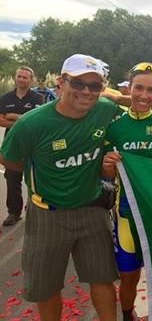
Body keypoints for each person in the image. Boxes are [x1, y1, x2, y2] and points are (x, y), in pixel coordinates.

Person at [0, 54, 120, 320]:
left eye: (94, 86)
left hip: (92, 209)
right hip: (47, 214)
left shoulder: (104, 109)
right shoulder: (31, 123)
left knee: (103, 279)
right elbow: (8, 157)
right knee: (47, 287)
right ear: (61, 84)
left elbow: (134, 104)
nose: (86, 92)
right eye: (78, 84)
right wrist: (40, 176)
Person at [101, 62, 152, 321]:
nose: (144, 96)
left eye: (151, 90)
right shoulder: (114, 126)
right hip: (125, 214)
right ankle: (127, 315)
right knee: (129, 277)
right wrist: (108, 167)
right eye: (139, 88)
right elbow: (106, 178)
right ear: (129, 88)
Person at [0, 66, 44, 226]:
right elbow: (0, 120)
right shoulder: (6, 98)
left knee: (35, 178)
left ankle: (34, 210)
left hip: (34, 145)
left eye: (25, 77)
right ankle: (14, 212)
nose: (21, 79)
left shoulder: (37, 98)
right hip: (11, 145)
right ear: (15, 77)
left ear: (30, 80)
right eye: (19, 76)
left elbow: (38, 121)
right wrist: (23, 119)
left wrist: (12, 116)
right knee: (12, 179)